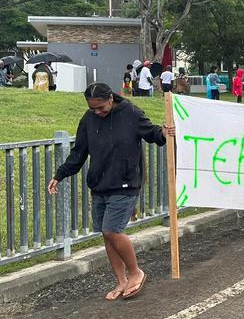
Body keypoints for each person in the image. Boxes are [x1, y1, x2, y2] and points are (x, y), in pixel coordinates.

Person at [47, 83, 174, 301]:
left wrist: (163, 132)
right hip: (100, 184)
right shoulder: (88, 119)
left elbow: (151, 133)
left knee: (112, 230)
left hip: (126, 183)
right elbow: (79, 153)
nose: (97, 112)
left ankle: (136, 272)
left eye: (100, 108)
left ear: (110, 100)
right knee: (107, 236)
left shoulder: (130, 112)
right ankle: (121, 281)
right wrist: (59, 174)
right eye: (92, 108)